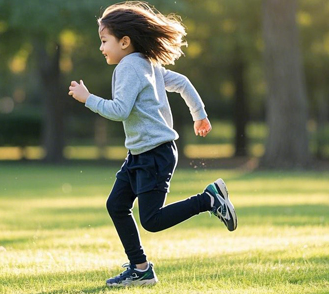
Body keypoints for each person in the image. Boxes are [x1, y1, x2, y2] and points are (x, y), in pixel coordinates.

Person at [68, 1, 237, 287]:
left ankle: (209, 199)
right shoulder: (148, 64)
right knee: (117, 205)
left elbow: (120, 109)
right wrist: (200, 115)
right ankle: (140, 268)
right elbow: (182, 82)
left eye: (104, 41)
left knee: (152, 220)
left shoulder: (129, 67)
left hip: (154, 154)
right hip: (141, 153)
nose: (101, 47)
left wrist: (89, 99)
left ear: (124, 41)